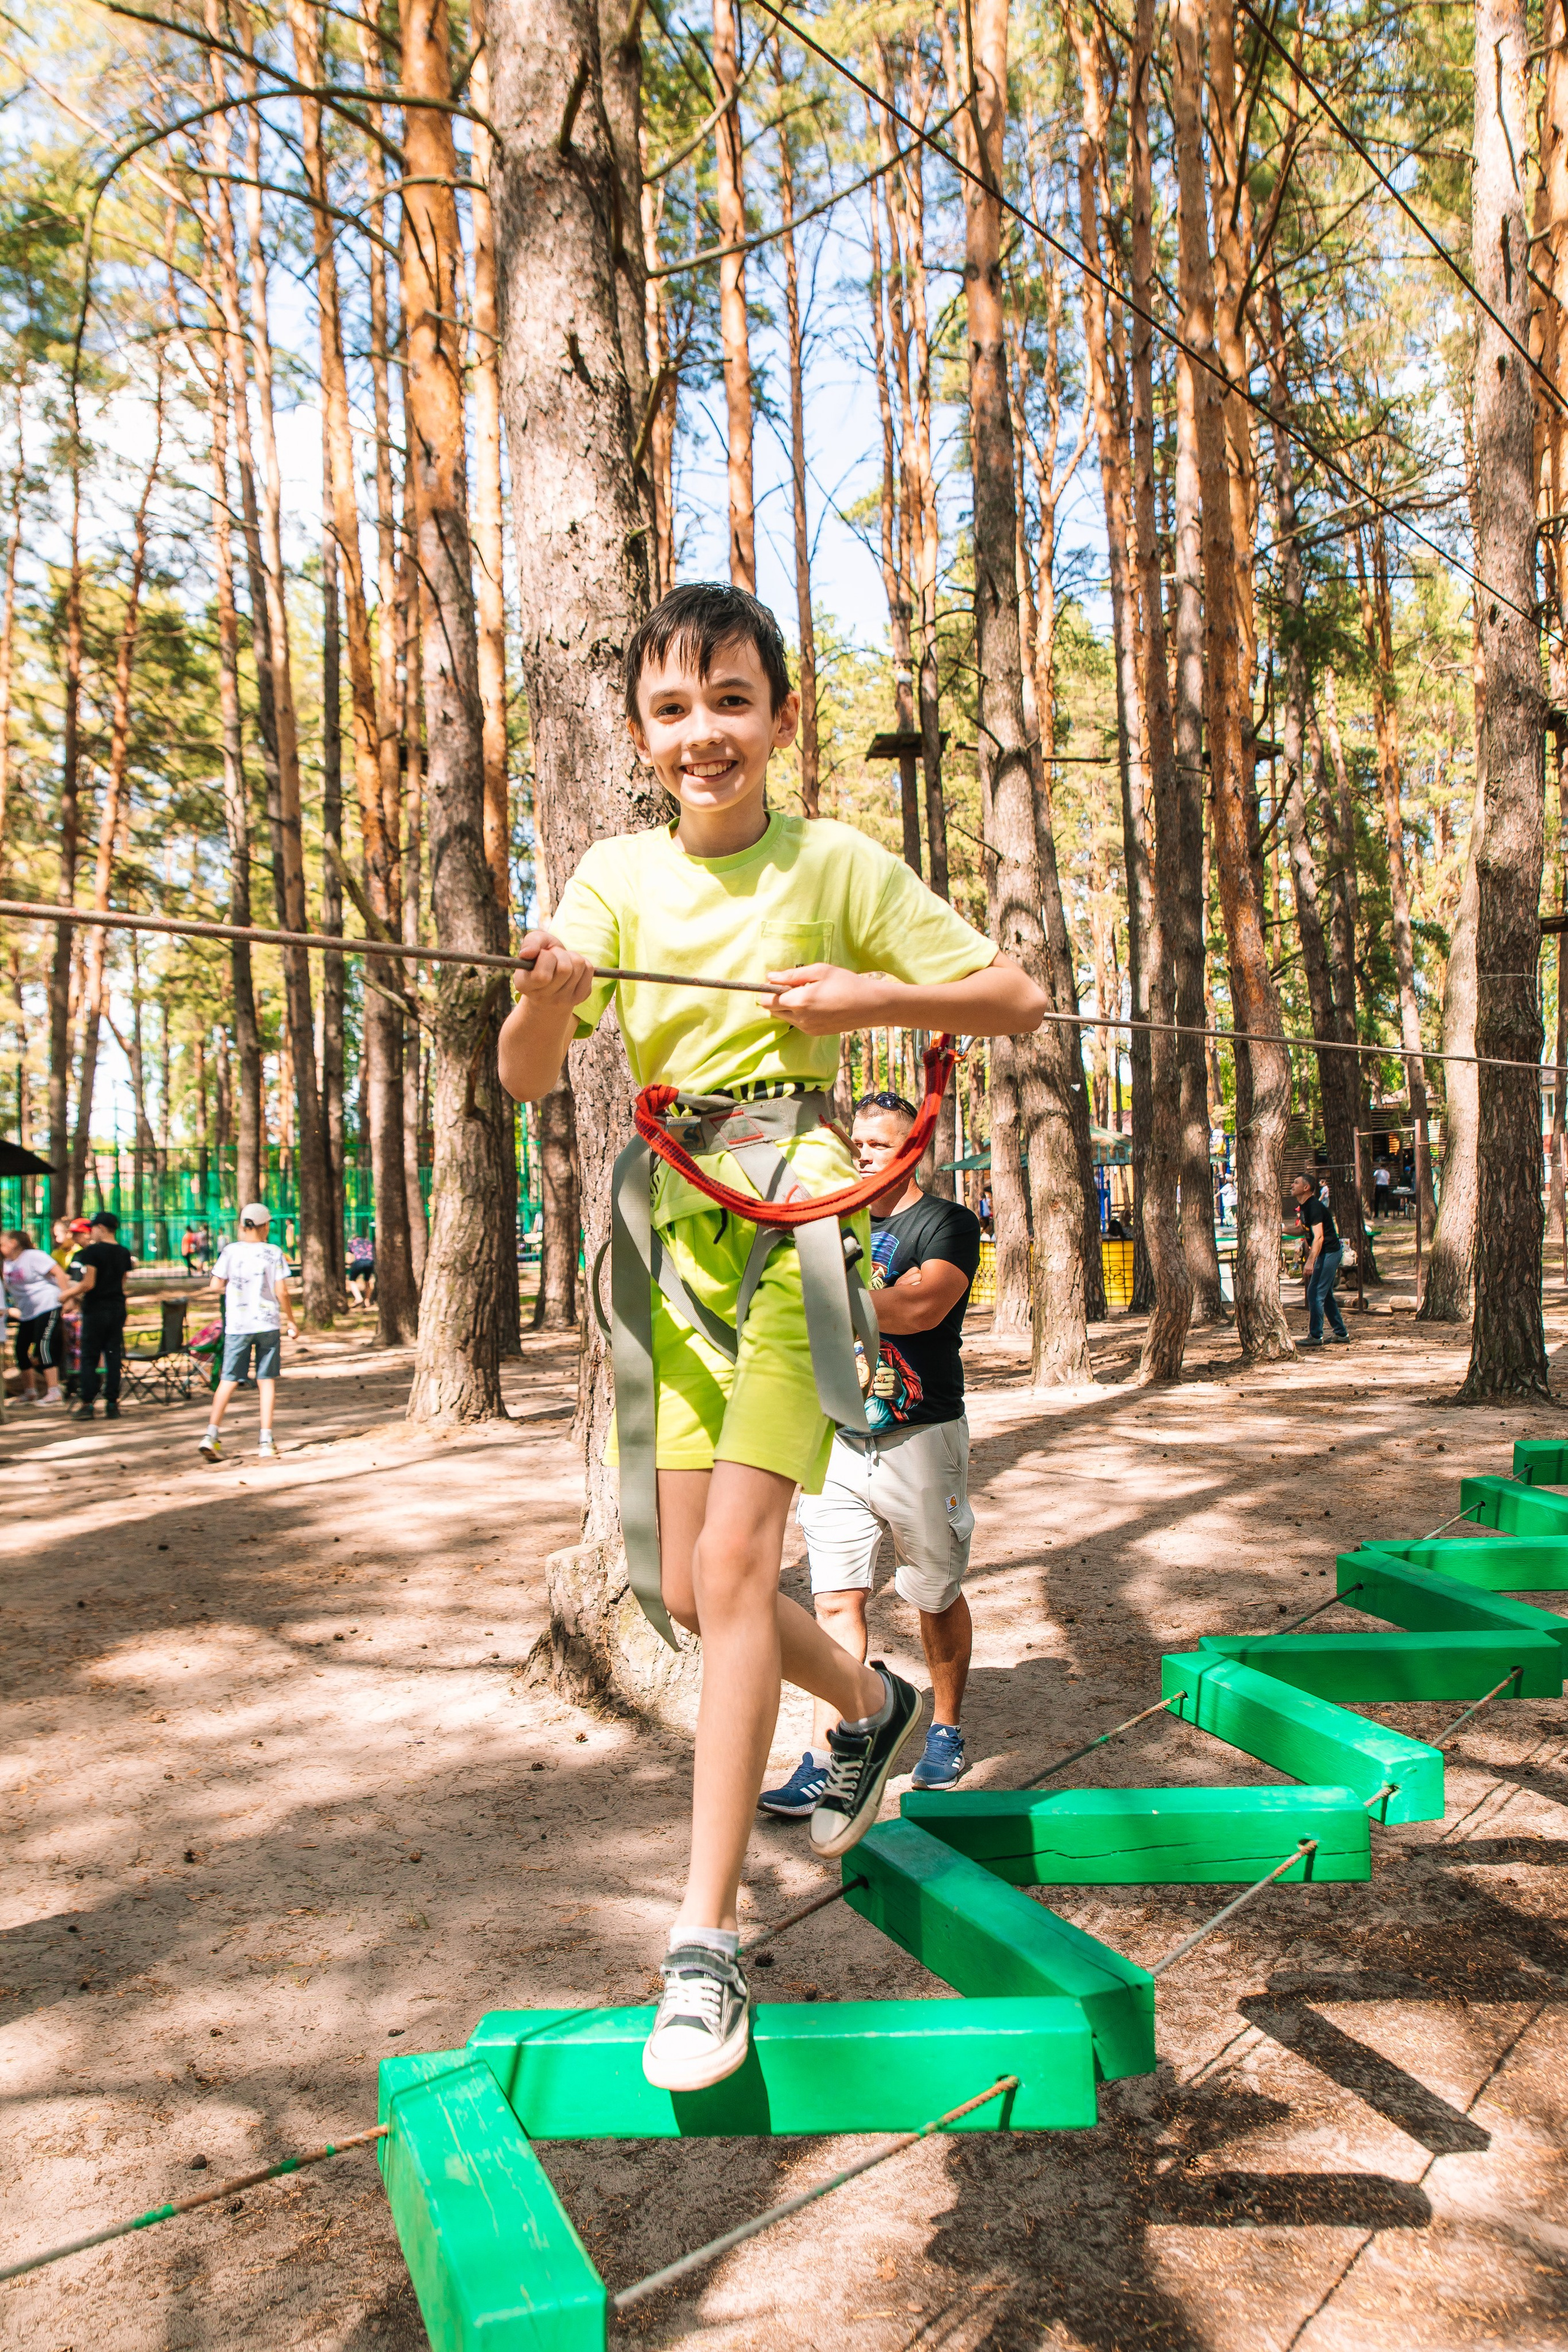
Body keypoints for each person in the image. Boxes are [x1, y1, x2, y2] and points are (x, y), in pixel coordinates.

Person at [497, 581, 1044, 2095]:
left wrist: (879, 991)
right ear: (638, 734)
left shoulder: (838, 863)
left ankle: (702, 1938)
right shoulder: (610, 872)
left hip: (799, 1211)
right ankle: (866, 1705)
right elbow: (527, 1067)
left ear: (778, 717)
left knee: (738, 1569)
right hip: (663, 1222)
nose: (702, 734)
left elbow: (1012, 993)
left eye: (730, 701)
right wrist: (550, 993)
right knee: (679, 1588)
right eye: (671, 710)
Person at [762, 1090, 981, 1818]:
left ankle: (943, 1728)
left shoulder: (945, 1221)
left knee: (934, 1591)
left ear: (912, 1150)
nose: (861, 1157)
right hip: (837, 1438)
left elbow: (924, 1306)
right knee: (833, 1600)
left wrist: (814, 1292)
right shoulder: (827, 1220)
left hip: (921, 1438)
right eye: (855, 1145)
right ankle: (830, 1752)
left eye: (878, 1147)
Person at [198, 1204, 299, 1461]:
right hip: (267, 1324)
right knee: (266, 1380)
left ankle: (211, 1435)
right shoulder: (273, 1252)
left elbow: (215, 1284)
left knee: (228, 1379)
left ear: (242, 1225)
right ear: (266, 1226)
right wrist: (292, 1321)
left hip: (238, 1326)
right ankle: (266, 1440)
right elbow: (282, 1292)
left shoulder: (230, 1251)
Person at [62, 1208, 135, 1419]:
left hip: (96, 1308)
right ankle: (112, 1403)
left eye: (93, 1228)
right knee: (113, 1354)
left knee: (90, 1355)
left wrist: (67, 1294)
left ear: (101, 1229)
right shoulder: (123, 1252)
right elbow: (122, 1282)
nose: (91, 1233)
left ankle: (87, 1403)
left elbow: (89, 1283)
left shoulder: (93, 1252)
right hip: (117, 1307)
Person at [1, 1230, 67, 1406]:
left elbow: (59, 1273)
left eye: (2, 1243)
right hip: (28, 1312)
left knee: (44, 1344)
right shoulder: (7, 1263)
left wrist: (67, 1297)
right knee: (21, 1349)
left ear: (14, 1243)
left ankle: (54, 1391)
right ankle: (30, 1391)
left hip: (48, 1304)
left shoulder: (33, 1256)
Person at [1291, 1169, 1349, 1346]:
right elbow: (1302, 1230)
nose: (1292, 1185)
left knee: (1315, 1294)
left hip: (1330, 1253)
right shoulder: (1305, 1207)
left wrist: (1310, 1261)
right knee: (1326, 1295)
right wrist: (1281, 1230)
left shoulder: (1315, 1206)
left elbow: (1320, 1237)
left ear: (1306, 1188)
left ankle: (1315, 1336)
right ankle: (1341, 1333)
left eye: (1296, 1183)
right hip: (1325, 1253)